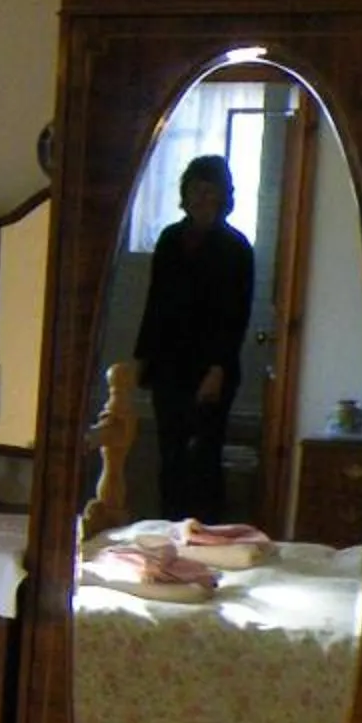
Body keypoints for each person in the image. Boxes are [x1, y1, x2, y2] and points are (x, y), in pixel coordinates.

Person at [133, 154, 255, 522]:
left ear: (224, 197)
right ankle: (168, 529)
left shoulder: (236, 248)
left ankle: (207, 532)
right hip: (169, 364)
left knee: (204, 456)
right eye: (196, 191)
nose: (203, 199)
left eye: (211, 191)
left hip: (212, 367)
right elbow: (155, 301)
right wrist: (142, 357)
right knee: (170, 454)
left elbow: (237, 315)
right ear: (185, 195)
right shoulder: (170, 239)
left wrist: (217, 369)